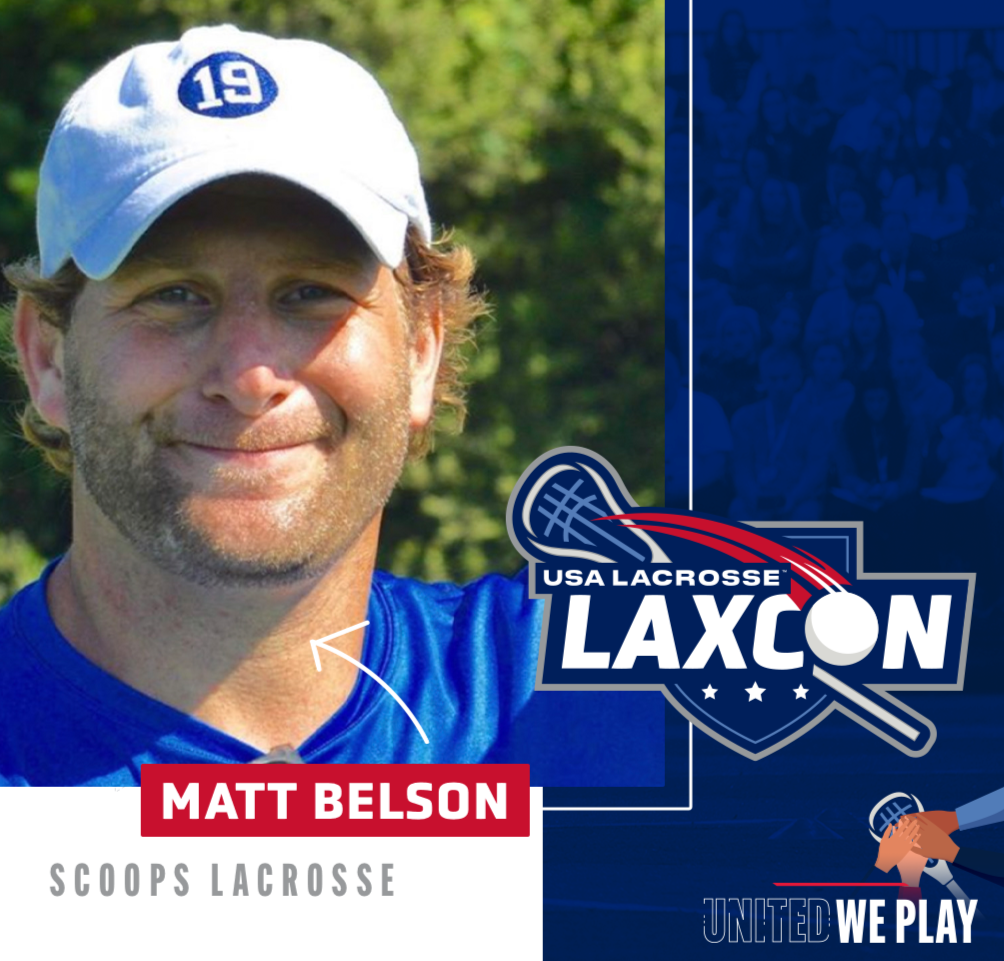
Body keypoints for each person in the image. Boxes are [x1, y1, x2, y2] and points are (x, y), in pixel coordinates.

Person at [0, 26, 665, 786]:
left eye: (311, 293)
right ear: (47, 357)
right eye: (173, 295)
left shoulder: (580, 690)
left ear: (422, 351)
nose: (250, 376)